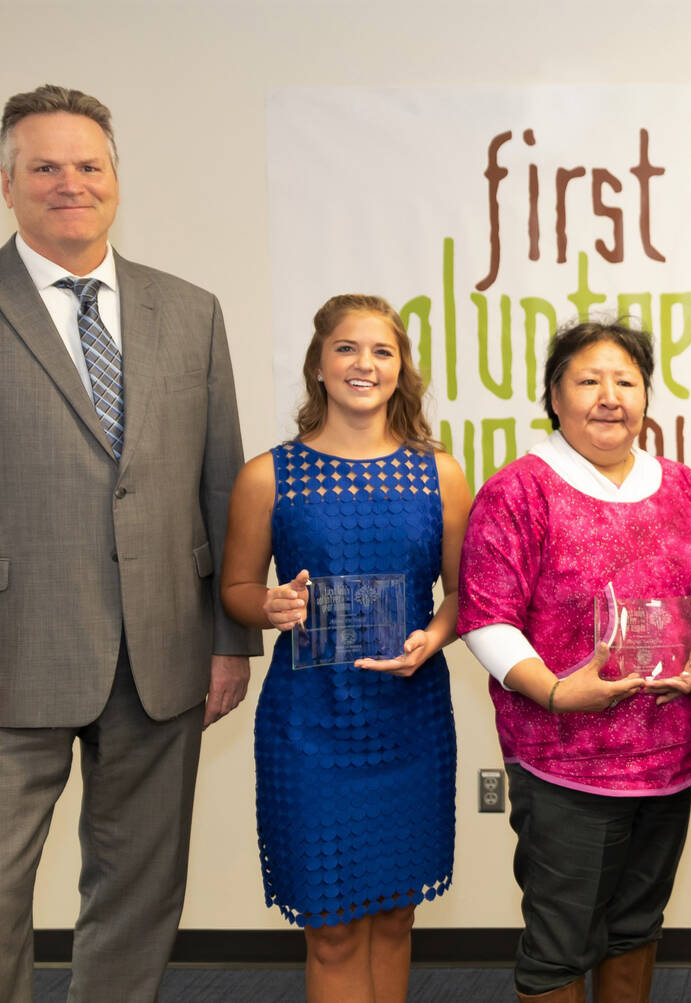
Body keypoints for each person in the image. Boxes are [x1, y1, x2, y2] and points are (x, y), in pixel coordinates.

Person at [0, 85, 256, 1002]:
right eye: (44, 167)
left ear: (117, 180)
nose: (68, 182)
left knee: (140, 896)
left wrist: (229, 640)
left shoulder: (188, 310)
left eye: (88, 165)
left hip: (162, 658)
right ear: (6, 184)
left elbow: (218, 484)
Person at [457, 319, 691, 1003]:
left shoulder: (683, 486)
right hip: (565, 757)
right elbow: (486, 615)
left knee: (637, 926)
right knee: (560, 943)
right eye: (588, 380)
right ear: (553, 393)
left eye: (626, 381)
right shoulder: (520, 490)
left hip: (669, 754)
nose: (610, 396)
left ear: (646, 396)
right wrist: (554, 691)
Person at [219, 294, 470, 1002]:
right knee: (330, 924)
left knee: (394, 912)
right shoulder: (267, 475)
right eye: (348, 349)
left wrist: (434, 637)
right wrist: (268, 606)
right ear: (320, 365)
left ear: (401, 370)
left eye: (382, 351)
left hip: (410, 717)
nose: (365, 363)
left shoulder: (440, 473)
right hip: (309, 724)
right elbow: (237, 585)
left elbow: (462, 594)